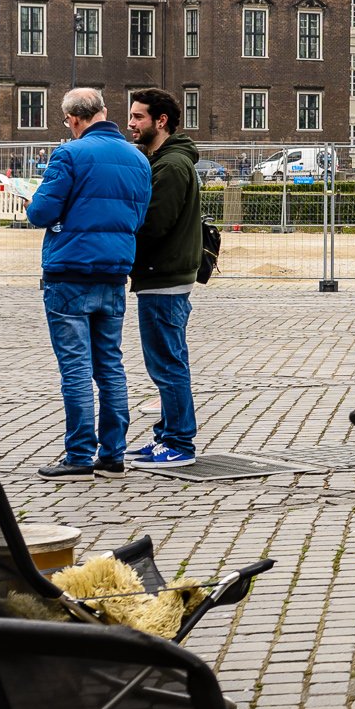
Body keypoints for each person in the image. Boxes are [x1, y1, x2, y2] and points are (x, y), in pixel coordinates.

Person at [26, 87, 152, 478]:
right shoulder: (138, 158)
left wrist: (34, 203)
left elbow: (41, 212)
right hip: (114, 272)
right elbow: (139, 218)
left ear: (73, 119)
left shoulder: (69, 153)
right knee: (110, 365)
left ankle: (79, 454)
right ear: (104, 111)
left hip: (70, 273)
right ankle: (113, 454)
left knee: (76, 368)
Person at [127, 88, 202, 470]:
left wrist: (120, 233)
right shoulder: (164, 161)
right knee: (168, 361)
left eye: (139, 116)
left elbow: (154, 224)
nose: (131, 122)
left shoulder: (171, 167)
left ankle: (178, 443)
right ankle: (166, 435)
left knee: (167, 364)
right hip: (164, 275)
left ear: (161, 121)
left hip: (164, 276)